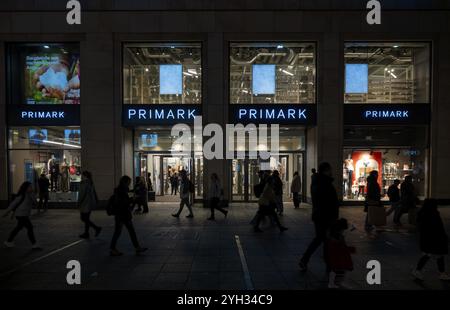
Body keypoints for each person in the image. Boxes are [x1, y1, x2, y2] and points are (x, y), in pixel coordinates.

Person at [299, 162, 339, 272]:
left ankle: (327, 264)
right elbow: (327, 202)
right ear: (326, 170)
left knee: (323, 240)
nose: (331, 171)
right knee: (322, 239)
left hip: (320, 216)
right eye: (330, 169)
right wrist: (332, 217)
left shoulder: (318, 182)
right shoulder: (324, 183)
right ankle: (307, 260)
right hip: (325, 217)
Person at [411, 199, 450, 281]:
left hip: (426, 239)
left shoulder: (422, 213)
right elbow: (439, 228)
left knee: (430, 255)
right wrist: (444, 237)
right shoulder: (433, 214)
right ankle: (441, 273)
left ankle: (440, 273)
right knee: (437, 255)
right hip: (435, 239)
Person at [110, 175, 147, 256]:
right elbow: (123, 202)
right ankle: (113, 248)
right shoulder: (121, 191)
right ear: (125, 182)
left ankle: (137, 247)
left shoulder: (120, 190)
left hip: (122, 214)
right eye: (128, 182)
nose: (129, 184)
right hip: (122, 214)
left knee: (128, 231)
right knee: (120, 232)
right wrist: (131, 200)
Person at [3, 182, 41, 249]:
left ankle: (8, 241)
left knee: (18, 228)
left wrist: (32, 195)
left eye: (31, 187)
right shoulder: (21, 195)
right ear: (25, 188)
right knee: (30, 228)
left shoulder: (30, 195)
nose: (31, 188)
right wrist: (6, 212)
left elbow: (35, 203)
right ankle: (34, 244)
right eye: (30, 187)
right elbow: (13, 205)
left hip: (24, 215)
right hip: (21, 215)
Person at [326, 218, 355, 289]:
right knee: (339, 271)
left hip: (338, 257)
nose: (343, 231)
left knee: (339, 271)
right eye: (343, 230)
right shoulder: (337, 238)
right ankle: (334, 283)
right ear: (340, 229)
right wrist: (350, 249)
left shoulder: (334, 237)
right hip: (339, 258)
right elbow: (341, 248)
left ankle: (335, 283)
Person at [78, 171, 102, 239]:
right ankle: (87, 233)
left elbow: (81, 194)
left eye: (82, 175)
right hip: (90, 203)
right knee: (86, 218)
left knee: (83, 218)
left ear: (85, 176)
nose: (81, 176)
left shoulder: (84, 183)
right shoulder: (90, 182)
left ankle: (96, 228)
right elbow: (94, 192)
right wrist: (96, 200)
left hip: (84, 204)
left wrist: (78, 203)